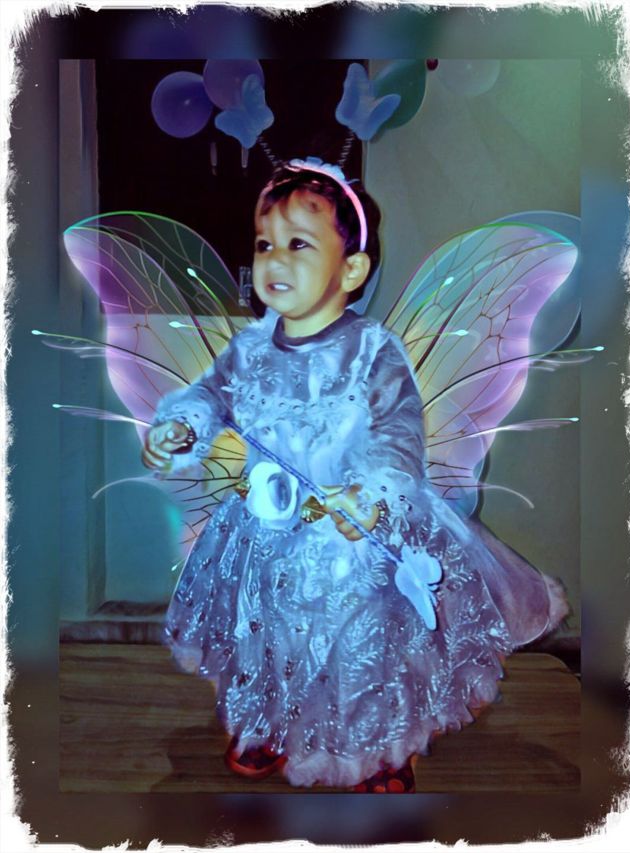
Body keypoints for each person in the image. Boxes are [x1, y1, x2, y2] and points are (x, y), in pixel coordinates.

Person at [142, 159, 567, 793]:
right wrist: (183, 425)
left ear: (352, 270)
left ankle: (378, 749)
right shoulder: (249, 348)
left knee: (360, 650)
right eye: (264, 244)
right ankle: (268, 722)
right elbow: (210, 397)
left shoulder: (372, 351)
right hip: (263, 537)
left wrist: (372, 494)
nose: (274, 260)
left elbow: (399, 436)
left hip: (352, 534)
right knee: (267, 637)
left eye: (298, 245)